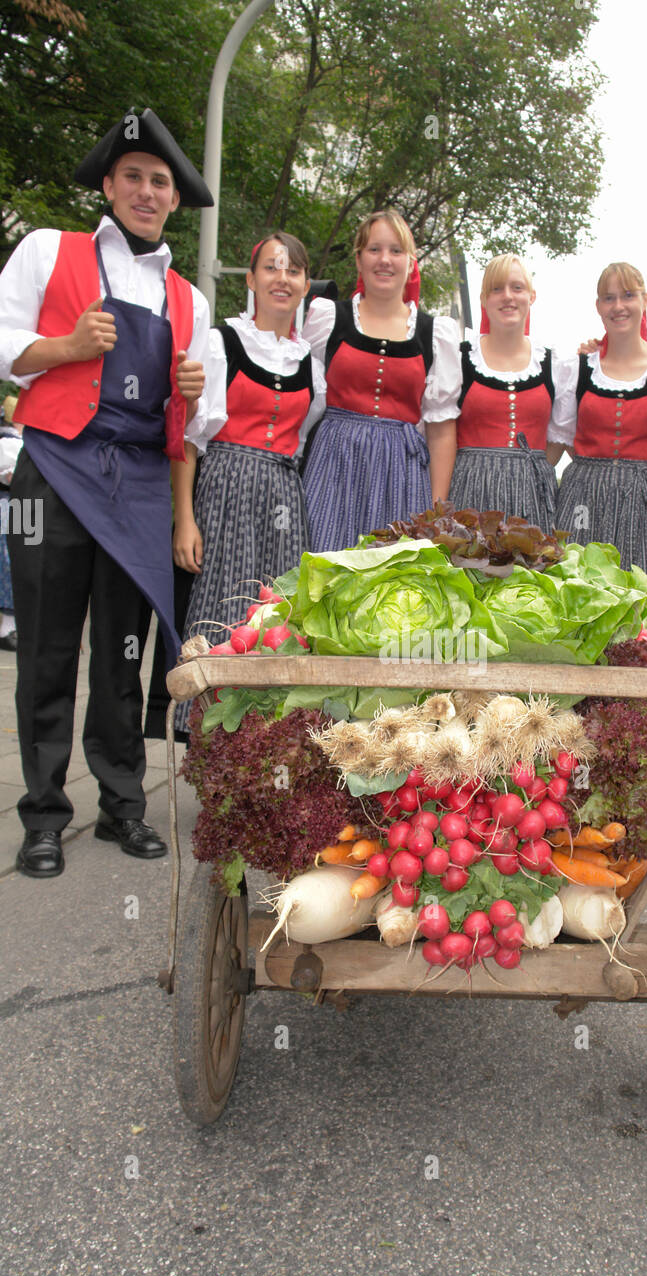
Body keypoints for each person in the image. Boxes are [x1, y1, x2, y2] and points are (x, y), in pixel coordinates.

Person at [0, 108, 214, 878]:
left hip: (138, 486)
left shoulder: (189, 300)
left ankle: (123, 803)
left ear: (175, 201)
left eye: (160, 182)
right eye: (134, 178)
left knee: (125, 655)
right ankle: (44, 815)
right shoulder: (45, 250)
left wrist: (190, 389)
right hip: (55, 470)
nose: (147, 192)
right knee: (48, 650)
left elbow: (198, 420)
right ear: (110, 185)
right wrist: (65, 347)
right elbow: (2, 341)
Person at [173, 233, 325, 729]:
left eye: (293, 269)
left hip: (282, 494)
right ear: (253, 279)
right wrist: (185, 521)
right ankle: (207, 735)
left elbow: (302, 439)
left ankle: (267, 737)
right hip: (225, 487)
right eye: (271, 268)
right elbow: (191, 439)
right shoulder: (222, 343)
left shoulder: (311, 368)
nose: (282, 278)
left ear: (305, 284)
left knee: (275, 615)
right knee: (222, 605)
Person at [301, 210, 461, 550]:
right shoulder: (328, 319)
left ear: (410, 262)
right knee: (323, 567)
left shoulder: (434, 334)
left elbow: (442, 430)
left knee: (391, 582)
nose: (385, 260)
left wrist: (434, 513)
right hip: (334, 465)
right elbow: (300, 400)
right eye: (374, 249)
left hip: (400, 472)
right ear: (358, 259)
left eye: (395, 250)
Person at [551, 262, 647, 593]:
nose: (618, 306)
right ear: (598, 306)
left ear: (645, 299)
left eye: (628, 295)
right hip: (583, 495)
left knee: (639, 591)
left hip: (644, 498)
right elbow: (561, 438)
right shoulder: (577, 368)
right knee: (577, 589)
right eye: (608, 298)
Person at [447, 253, 569, 532]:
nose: (507, 297)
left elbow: (560, 435)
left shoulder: (554, 363)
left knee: (531, 572)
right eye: (496, 289)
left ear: (531, 296)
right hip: (470, 491)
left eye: (517, 288)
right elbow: (441, 431)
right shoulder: (460, 356)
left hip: (532, 495)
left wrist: (526, 468)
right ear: (483, 299)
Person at [0, 399, 21, 651]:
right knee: (17, 562)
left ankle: (11, 626)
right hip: (18, 505)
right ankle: (9, 627)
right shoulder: (12, 443)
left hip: (21, 505)